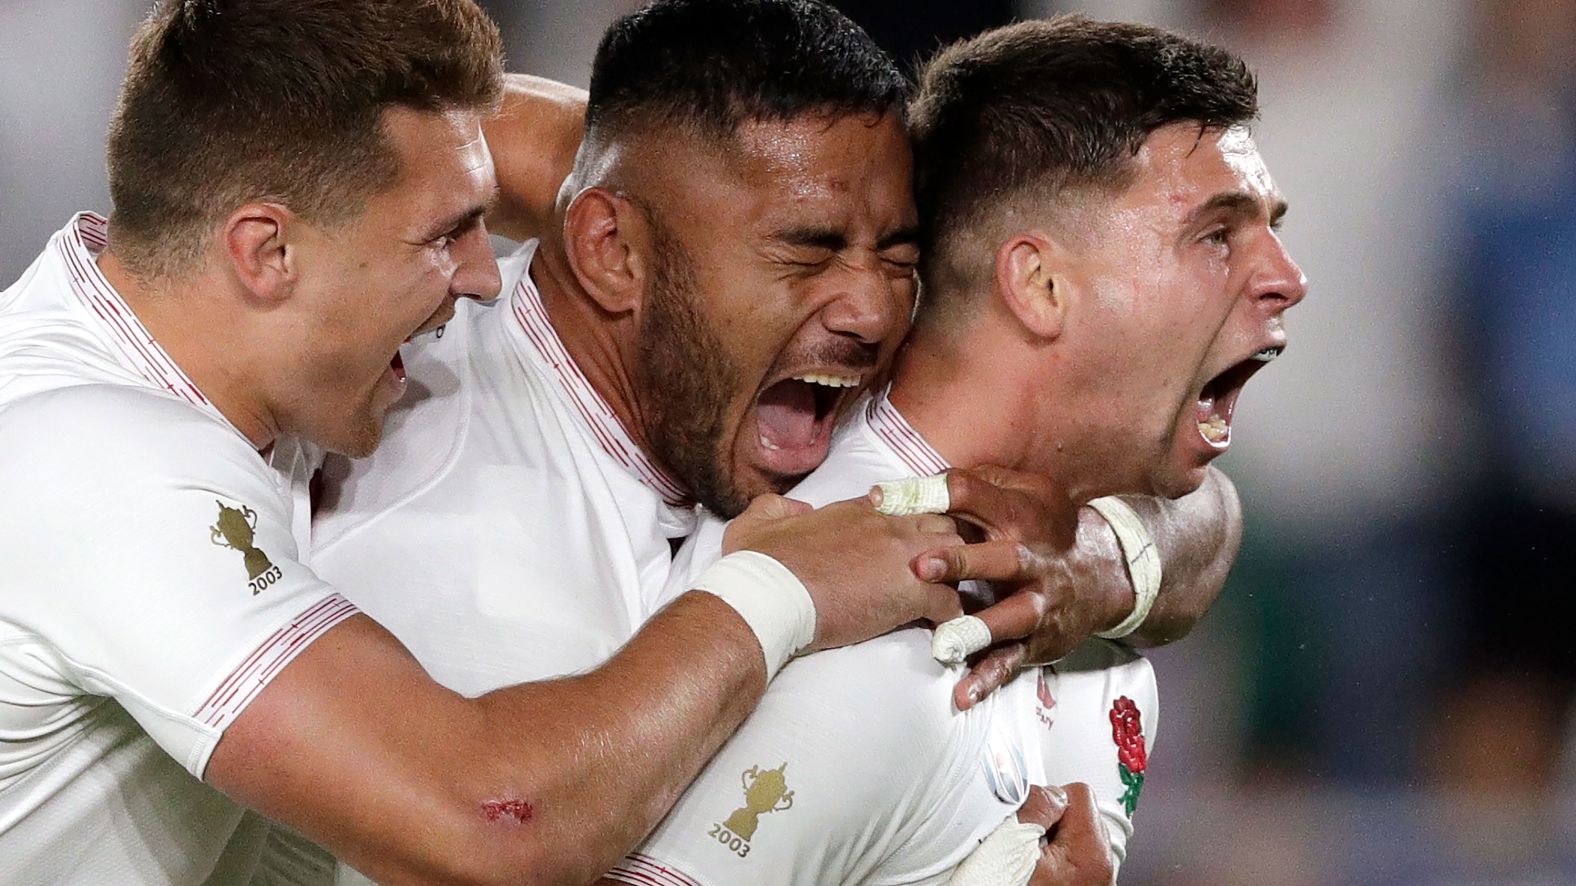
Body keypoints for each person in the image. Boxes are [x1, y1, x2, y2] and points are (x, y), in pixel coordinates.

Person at [0, 3, 972, 883]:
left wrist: (705, 216)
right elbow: (493, 826)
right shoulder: (104, 464)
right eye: (448, 235)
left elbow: (542, 160)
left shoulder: (203, 326)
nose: (481, 275)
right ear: (267, 253)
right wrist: (778, 588)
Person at [603, 16, 1306, 885]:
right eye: (1216, 235)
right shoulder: (861, 642)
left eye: (1270, 227)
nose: (1287, 276)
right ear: (1040, 285)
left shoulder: (1091, 607)